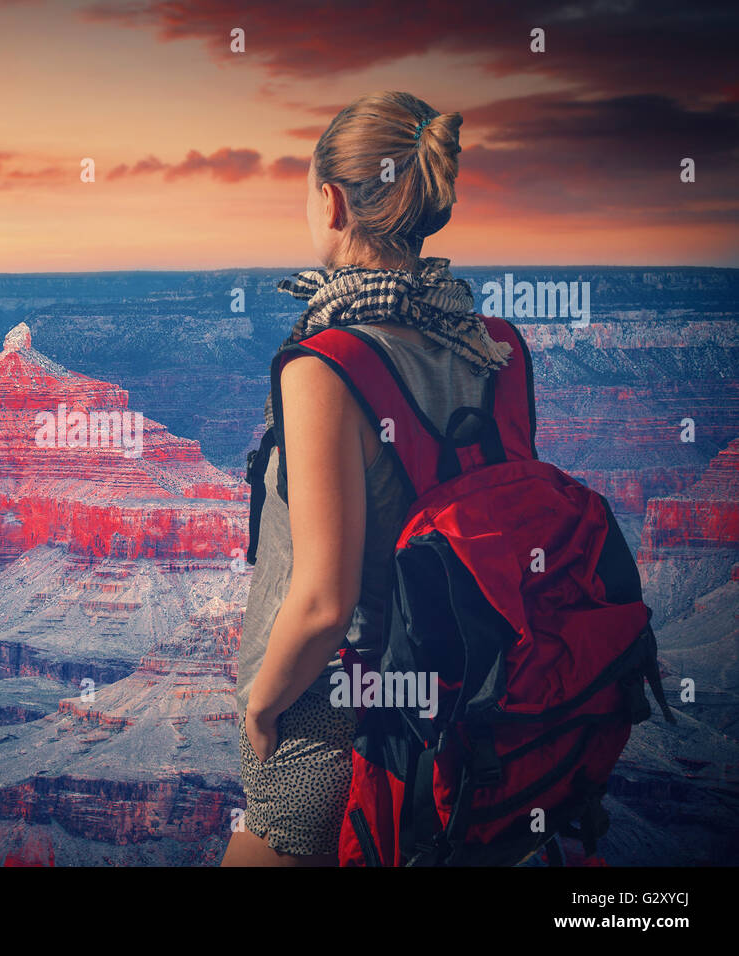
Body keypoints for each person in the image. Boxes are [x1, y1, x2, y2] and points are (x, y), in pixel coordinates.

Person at [221, 91, 515, 866]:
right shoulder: (492, 349)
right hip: (459, 715)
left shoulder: (326, 368)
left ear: (332, 200)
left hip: (331, 720)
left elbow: (323, 602)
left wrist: (261, 710)